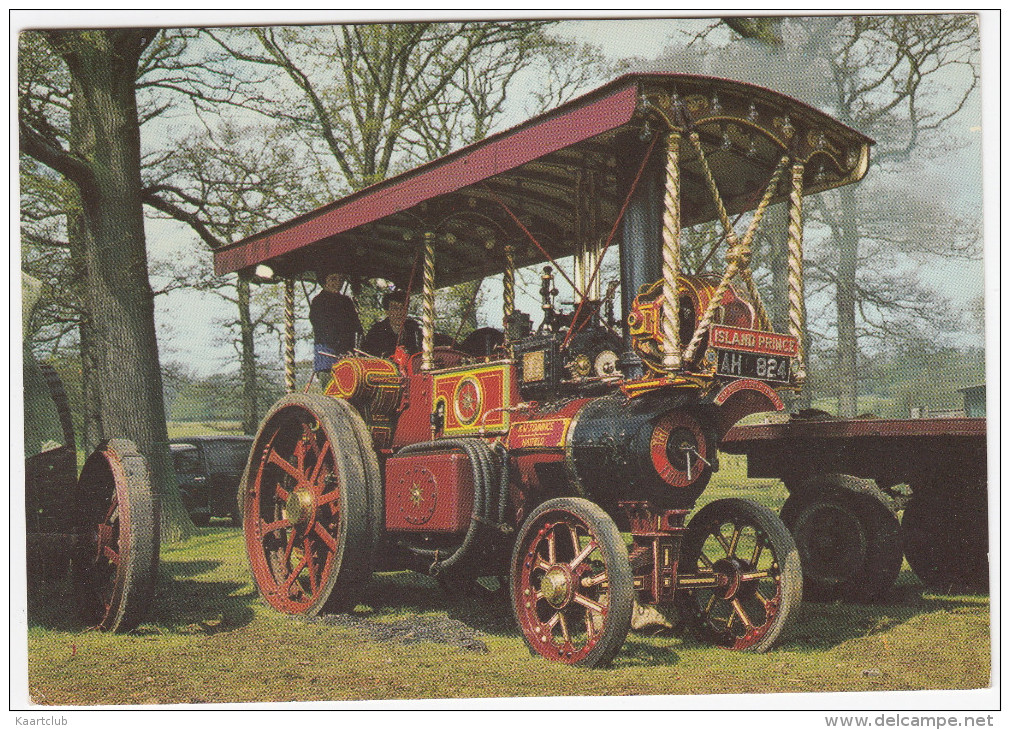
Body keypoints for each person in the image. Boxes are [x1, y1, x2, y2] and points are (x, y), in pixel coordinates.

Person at [310, 269, 362, 374]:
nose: (338, 283)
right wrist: (340, 346)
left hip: (347, 350)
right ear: (324, 281)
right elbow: (324, 328)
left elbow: (356, 326)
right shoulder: (318, 302)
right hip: (327, 350)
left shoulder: (347, 302)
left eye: (341, 279)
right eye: (333, 279)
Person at [361, 289, 423, 359]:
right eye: (395, 308)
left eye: (403, 308)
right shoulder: (376, 332)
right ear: (387, 311)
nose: (399, 312)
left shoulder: (414, 329)